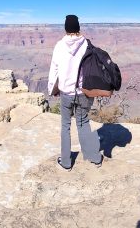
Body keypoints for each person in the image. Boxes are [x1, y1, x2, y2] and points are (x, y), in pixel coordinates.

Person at [48, 14, 102, 170]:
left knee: (65, 126)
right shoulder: (86, 44)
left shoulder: (59, 46)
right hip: (83, 92)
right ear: (78, 28)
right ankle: (94, 158)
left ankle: (66, 162)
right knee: (83, 122)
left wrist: (54, 88)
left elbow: (54, 70)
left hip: (66, 93)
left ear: (66, 28)